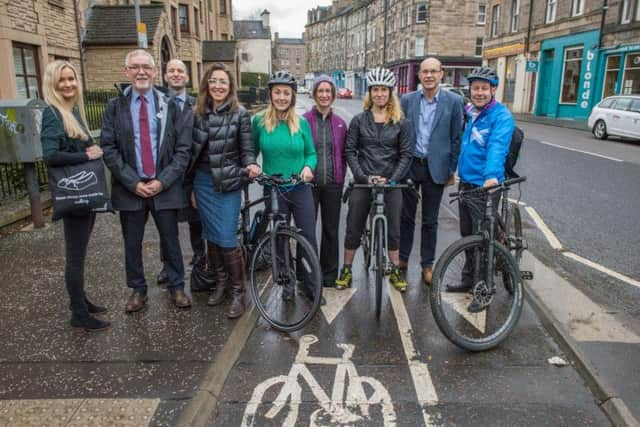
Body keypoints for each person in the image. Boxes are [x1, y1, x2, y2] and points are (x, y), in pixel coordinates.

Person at [101, 49, 192, 312]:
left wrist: (162, 181)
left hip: (164, 186)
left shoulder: (170, 105)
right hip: (132, 189)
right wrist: (133, 182)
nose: (141, 72)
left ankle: (177, 286)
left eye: (146, 67)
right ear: (126, 71)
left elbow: (182, 150)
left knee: (171, 240)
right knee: (132, 243)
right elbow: (108, 147)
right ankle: (138, 290)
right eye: (135, 67)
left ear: (154, 72)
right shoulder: (114, 107)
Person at [40, 60, 110, 332]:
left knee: (80, 252)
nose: (68, 84)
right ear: (52, 84)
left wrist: (93, 147)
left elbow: (82, 144)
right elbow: (50, 155)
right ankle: (78, 313)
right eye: (62, 81)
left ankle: (80, 300)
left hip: (85, 195)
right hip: (74, 196)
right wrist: (86, 154)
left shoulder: (72, 110)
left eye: (71, 79)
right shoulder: (52, 114)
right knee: (75, 255)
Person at [190, 63, 260, 318]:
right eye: (213, 81)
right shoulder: (196, 113)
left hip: (229, 183)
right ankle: (220, 283)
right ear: (207, 85)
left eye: (223, 82)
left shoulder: (240, 113)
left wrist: (251, 163)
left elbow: (247, 149)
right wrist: (191, 189)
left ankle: (239, 292)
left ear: (230, 87)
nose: (218, 86)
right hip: (203, 182)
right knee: (211, 235)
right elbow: (191, 155)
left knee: (228, 237)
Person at [335, 67, 413, 292]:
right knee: (353, 225)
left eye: (384, 90)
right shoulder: (359, 121)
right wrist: (363, 176)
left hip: (391, 181)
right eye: (375, 90)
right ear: (370, 93)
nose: (379, 94)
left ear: (391, 93)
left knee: (395, 228)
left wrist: (392, 179)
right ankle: (347, 269)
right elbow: (350, 151)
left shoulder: (402, 122)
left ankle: (395, 269)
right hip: (364, 180)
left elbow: (406, 154)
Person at [252, 70, 324, 304]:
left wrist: (308, 168)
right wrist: (252, 165)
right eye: (277, 93)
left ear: (292, 96)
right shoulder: (259, 121)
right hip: (274, 188)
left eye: (286, 93)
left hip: (299, 186)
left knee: (308, 236)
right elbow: (251, 153)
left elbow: (311, 154)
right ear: (271, 94)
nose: (282, 97)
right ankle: (287, 281)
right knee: (280, 237)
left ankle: (311, 284)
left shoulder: (301, 123)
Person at [450, 66, 515, 309]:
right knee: (467, 234)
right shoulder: (470, 112)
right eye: (475, 88)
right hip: (467, 183)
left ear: (493, 90)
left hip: (486, 185)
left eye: (483, 88)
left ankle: (484, 289)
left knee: (483, 239)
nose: (478, 92)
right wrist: (456, 171)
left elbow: (497, 147)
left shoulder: (501, 117)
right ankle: (468, 280)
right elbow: (465, 145)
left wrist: (490, 177)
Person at [399, 57, 463, 287]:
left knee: (430, 220)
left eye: (433, 71)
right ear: (418, 75)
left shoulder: (454, 102)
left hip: (436, 167)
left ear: (441, 74)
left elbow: (457, 138)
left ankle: (427, 264)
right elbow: (399, 134)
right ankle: (403, 259)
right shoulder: (406, 100)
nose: (429, 76)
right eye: (425, 72)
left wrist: (451, 168)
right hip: (411, 164)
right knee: (405, 216)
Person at [156, 59, 214, 293]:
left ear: (187, 77)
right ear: (165, 75)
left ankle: (200, 261)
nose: (176, 74)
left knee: (195, 222)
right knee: (166, 225)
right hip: (166, 174)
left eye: (180, 71)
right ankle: (167, 266)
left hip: (191, 173)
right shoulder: (156, 104)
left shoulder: (197, 105)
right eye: (172, 71)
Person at [302, 75, 347, 288]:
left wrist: (341, 177)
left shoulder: (340, 123)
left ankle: (329, 274)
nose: (324, 95)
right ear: (314, 94)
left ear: (333, 95)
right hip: (308, 185)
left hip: (333, 184)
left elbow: (344, 153)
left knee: (331, 230)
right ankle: (307, 275)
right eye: (320, 91)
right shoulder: (303, 121)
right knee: (307, 230)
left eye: (328, 91)